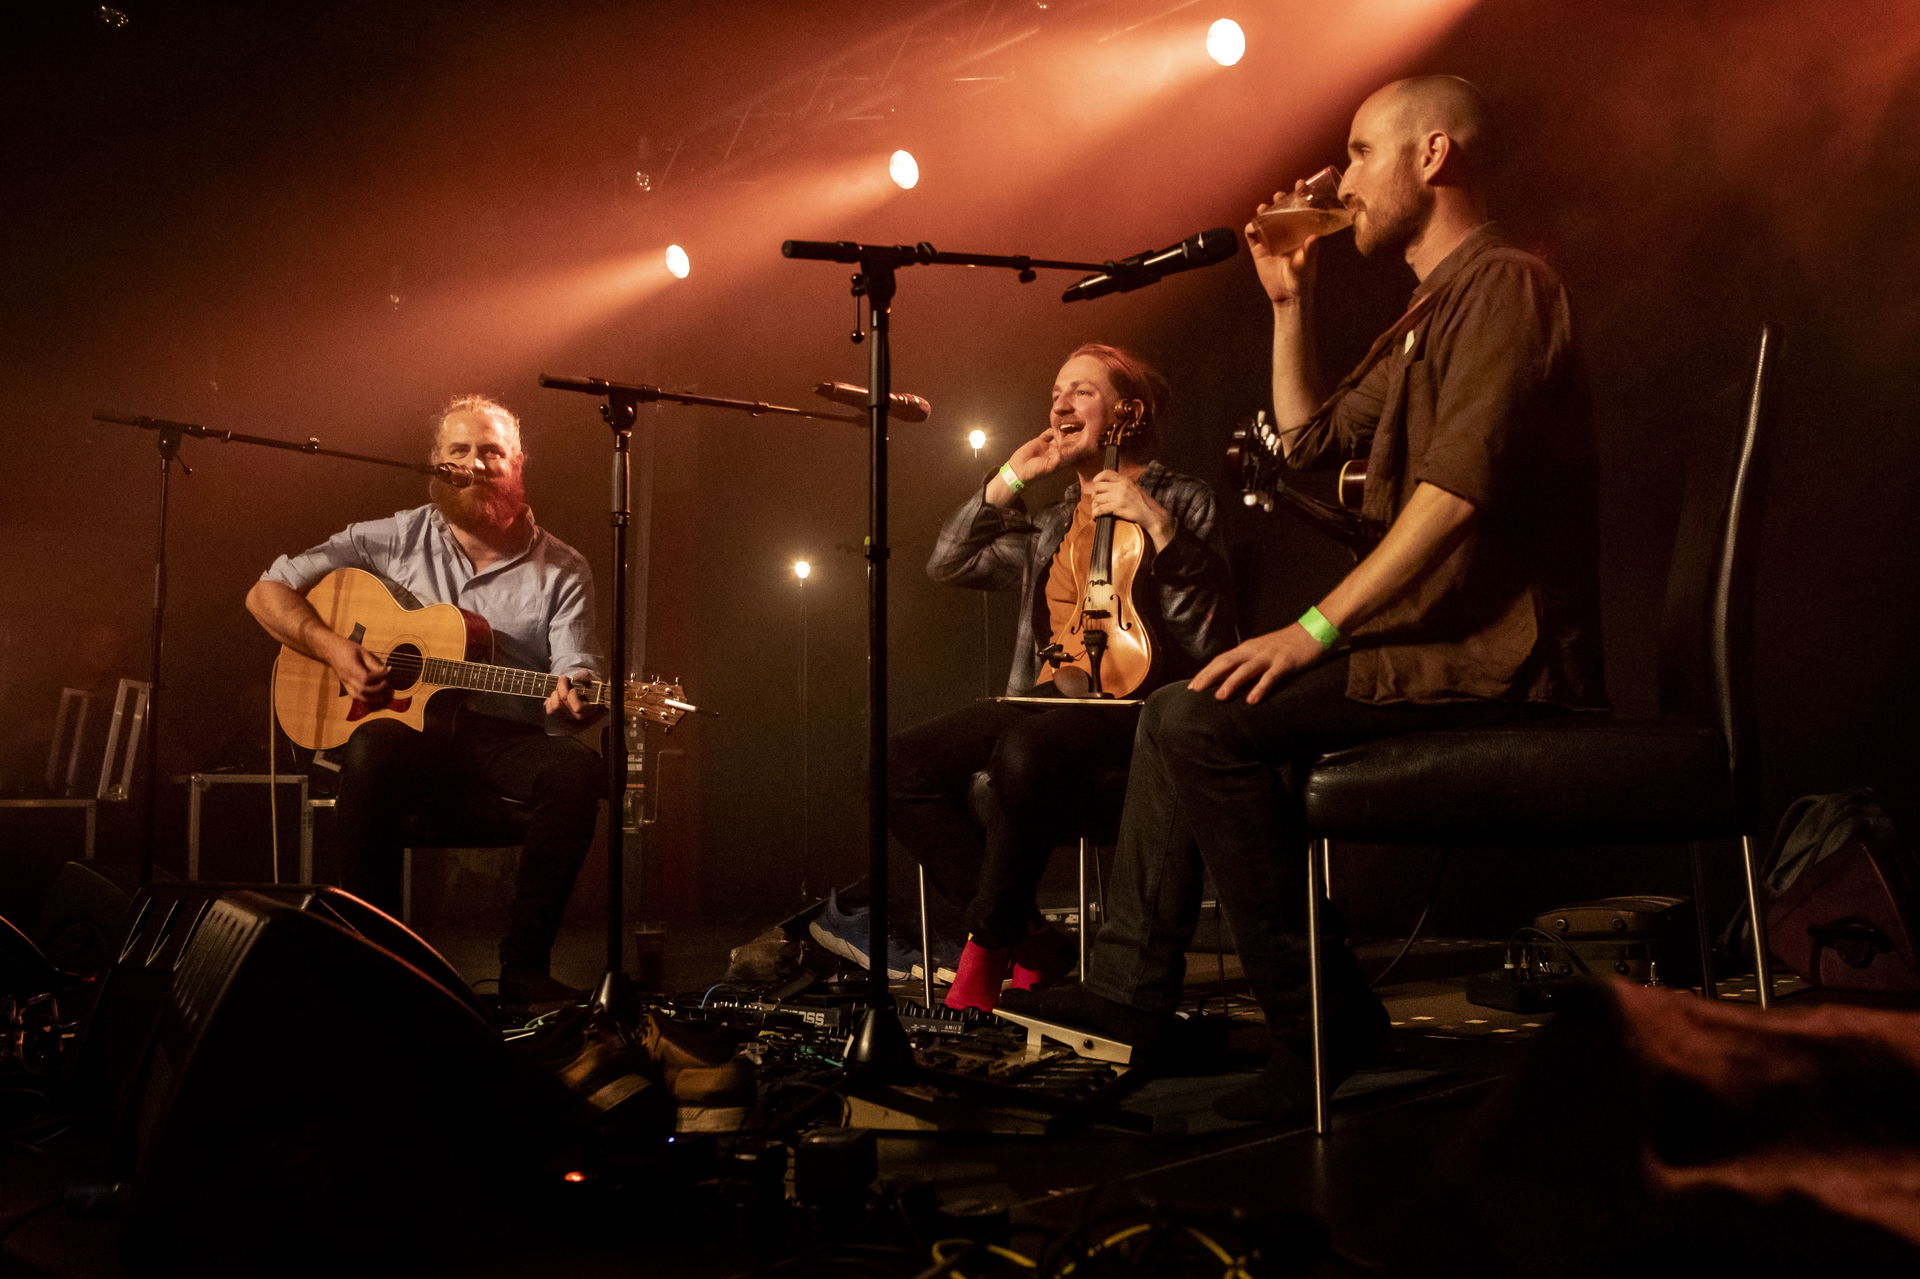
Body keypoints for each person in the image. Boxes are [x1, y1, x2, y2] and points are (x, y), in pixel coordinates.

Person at [1006, 76, 1604, 1120]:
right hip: (1426, 640)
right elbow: (1312, 444)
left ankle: (1322, 1029)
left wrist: (1315, 625)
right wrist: (1291, 302)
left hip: (1490, 653)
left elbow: (1456, 495)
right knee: (1185, 703)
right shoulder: (1428, 309)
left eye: (1363, 152)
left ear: (1432, 157)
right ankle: (1129, 993)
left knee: (1199, 718)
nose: (1342, 179)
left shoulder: (1505, 285)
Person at [810, 344, 1235, 1011]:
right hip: (1043, 697)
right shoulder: (1054, 519)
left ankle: (986, 947)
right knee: (891, 765)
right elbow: (948, 562)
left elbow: (1209, 638)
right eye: (1056, 389)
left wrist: (1154, 520)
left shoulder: (1183, 496)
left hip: (1136, 708)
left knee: (1025, 751)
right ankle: (1032, 935)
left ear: (1128, 411)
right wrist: (1012, 474)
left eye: (1082, 392)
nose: (1060, 403)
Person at [246, 395, 604, 1005]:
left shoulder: (563, 568)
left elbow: (576, 667)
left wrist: (578, 695)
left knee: (577, 768)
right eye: (458, 451)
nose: (475, 463)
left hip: (504, 738)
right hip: (406, 735)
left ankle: (523, 970)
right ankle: (379, 963)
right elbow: (267, 592)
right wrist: (333, 648)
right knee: (370, 746)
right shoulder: (388, 538)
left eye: (491, 451)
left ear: (518, 462)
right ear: (436, 464)